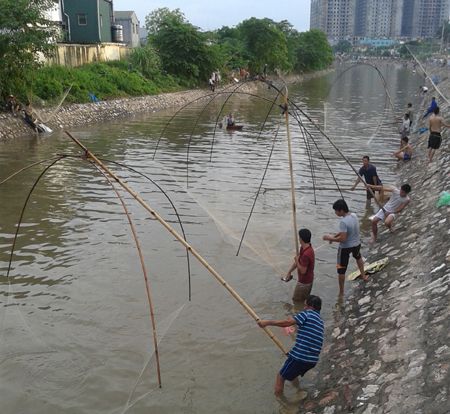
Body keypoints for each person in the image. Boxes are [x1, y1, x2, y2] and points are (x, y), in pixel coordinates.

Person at [257, 295, 324, 397]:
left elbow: (287, 323)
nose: (304, 308)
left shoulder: (307, 314)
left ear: (311, 306)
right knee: (293, 375)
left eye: (305, 305)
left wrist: (267, 322)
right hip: (312, 360)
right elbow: (307, 334)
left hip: (301, 356)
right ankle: (298, 391)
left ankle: (282, 403)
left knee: (280, 376)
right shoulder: (320, 321)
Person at [323, 200, 368, 297]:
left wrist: (330, 238)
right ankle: (363, 275)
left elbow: (343, 239)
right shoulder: (354, 216)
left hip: (345, 248)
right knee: (358, 257)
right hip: (356, 244)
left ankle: (341, 291)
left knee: (341, 270)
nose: (335, 213)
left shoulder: (343, 222)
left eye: (336, 211)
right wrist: (335, 236)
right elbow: (347, 231)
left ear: (341, 210)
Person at [282, 229, 315, 308]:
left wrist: (296, 260)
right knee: (301, 302)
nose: (298, 239)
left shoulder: (307, 254)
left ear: (301, 239)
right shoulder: (304, 248)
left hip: (304, 283)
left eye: (299, 237)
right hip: (306, 281)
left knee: (296, 301)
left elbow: (303, 271)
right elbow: (299, 261)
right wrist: (289, 271)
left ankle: (298, 317)